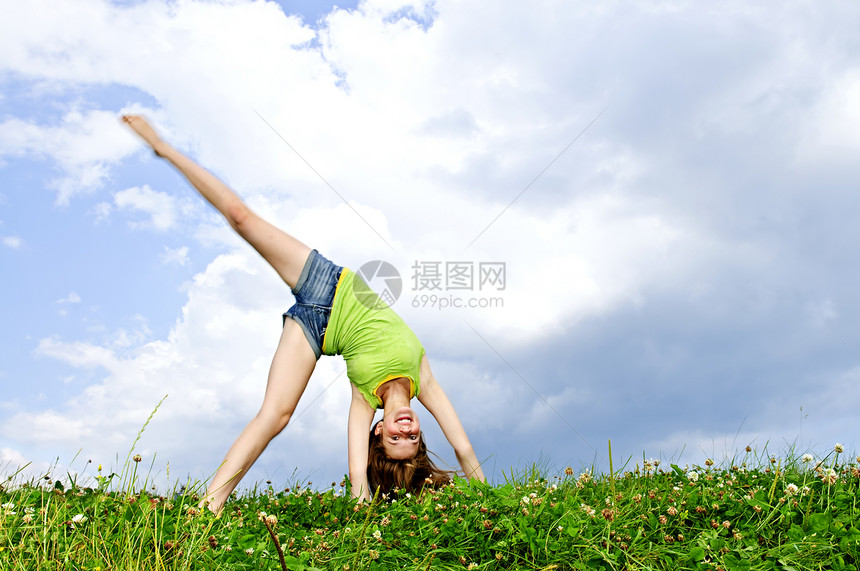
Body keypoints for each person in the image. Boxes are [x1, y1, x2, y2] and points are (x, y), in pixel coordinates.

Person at [122, 115, 485, 513]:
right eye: (411, 439)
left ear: (377, 432)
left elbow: (358, 481)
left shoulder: (364, 400)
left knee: (276, 414)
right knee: (242, 219)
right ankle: (165, 148)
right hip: (328, 283)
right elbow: (463, 445)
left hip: (314, 332)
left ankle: (209, 504)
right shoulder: (424, 379)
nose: (405, 433)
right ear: (416, 429)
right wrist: (488, 503)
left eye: (393, 442)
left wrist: (362, 502)